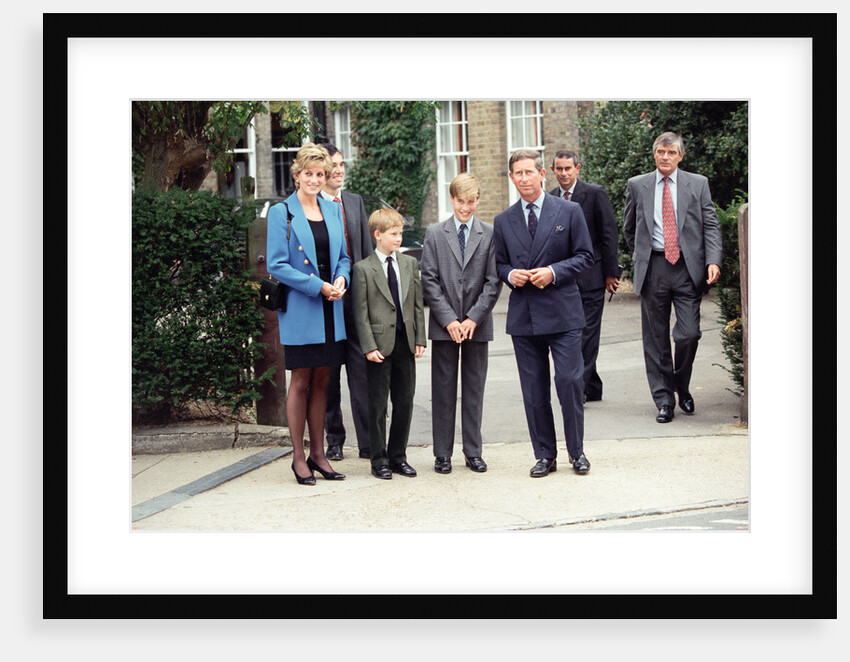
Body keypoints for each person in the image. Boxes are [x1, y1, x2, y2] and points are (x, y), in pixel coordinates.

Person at [493, 149, 594, 477]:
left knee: (569, 381)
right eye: (517, 173)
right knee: (534, 391)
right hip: (525, 316)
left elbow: (584, 256)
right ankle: (544, 455)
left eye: (528, 172)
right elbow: (499, 264)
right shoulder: (504, 220)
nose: (523, 179)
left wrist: (553, 271)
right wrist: (510, 275)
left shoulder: (569, 210)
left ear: (542, 175)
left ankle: (576, 452)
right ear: (511, 178)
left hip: (563, 312)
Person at [623, 131, 723, 423]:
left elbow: (711, 226)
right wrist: (642, 256)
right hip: (654, 267)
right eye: (660, 152)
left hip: (687, 268)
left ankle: (682, 383)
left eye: (670, 153)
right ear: (654, 154)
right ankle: (664, 400)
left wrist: (713, 260)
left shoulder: (698, 184)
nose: (664, 157)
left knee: (689, 333)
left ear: (681, 156)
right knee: (655, 340)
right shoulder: (638, 185)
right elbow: (630, 228)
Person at [266, 143, 350, 485]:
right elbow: (276, 264)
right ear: (297, 174)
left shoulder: (332, 210)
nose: (315, 180)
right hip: (304, 308)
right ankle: (298, 458)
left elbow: (343, 256)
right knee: (300, 381)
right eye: (309, 174)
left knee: (324, 381)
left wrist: (342, 277)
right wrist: (318, 286)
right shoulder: (281, 212)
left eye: (321, 174)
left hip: (333, 308)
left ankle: (319, 454)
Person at [419, 173, 502, 474]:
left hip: (477, 326)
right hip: (445, 327)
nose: (465, 208)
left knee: (474, 389)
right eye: (460, 201)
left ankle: (473, 451)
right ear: (451, 199)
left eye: (471, 202)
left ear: (478, 200)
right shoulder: (435, 234)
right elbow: (429, 280)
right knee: (443, 390)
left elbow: (493, 282)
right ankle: (442, 453)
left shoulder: (489, 234)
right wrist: (450, 320)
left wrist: (473, 319)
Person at [351, 208, 426, 479]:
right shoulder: (363, 269)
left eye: (401, 233)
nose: (399, 238)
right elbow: (360, 312)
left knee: (404, 402)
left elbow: (417, 305)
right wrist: (368, 346)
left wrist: (420, 338)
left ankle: (398, 457)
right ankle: (378, 459)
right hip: (379, 347)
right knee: (378, 405)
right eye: (394, 234)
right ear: (378, 235)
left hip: (405, 343)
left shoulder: (408, 264)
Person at [317, 143, 374, 461]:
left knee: (362, 371)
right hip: (326, 301)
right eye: (333, 165)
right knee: (328, 375)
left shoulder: (354, 203)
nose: (339, 170)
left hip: (356, 302)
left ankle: (367, 442)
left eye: (341, 164)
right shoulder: (311, 205)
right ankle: (334, 439)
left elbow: (366, 254)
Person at [549, 150, 620, 402]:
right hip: (563, 281)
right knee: (572, 333)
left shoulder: (594, 193)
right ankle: (593, 385)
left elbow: (609, 233)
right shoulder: (550, 198)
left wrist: (611, 273)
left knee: (588, 334)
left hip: (592, 277)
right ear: (552, 170)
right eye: (559, 169)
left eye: (568, 168)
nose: (564, 173)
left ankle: (577, 387)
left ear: (577, 168)